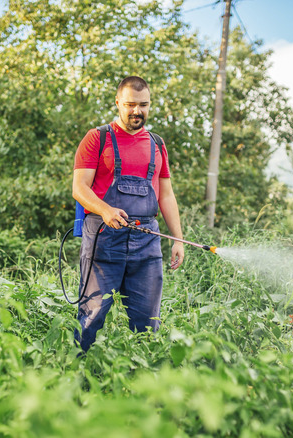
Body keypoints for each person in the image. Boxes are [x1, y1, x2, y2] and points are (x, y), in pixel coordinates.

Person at [72, 76, 185, 352]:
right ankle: (77, 373)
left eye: (143, 105)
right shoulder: (97, 138)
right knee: (90, 318)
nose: (137, 111)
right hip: (103, 242)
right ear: (118, 103)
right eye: (131, 105)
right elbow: (79, 188)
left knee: (148, 324)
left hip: (146, 246)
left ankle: (141, 381)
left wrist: (178, 239)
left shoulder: (157, 144)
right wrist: (105, 209)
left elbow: (166, 195)